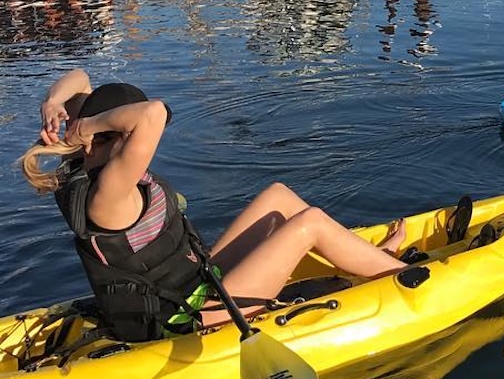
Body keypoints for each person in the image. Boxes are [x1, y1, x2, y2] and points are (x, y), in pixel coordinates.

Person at [20, 69, 409, 342]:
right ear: (108, 136)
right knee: (310, 224)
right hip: (187, 316)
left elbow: (80, 76)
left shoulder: (99, 167)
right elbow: (154, 114)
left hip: (197, 282)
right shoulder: (110, 190)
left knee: (278, 196)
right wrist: (86, 126)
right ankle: (404, 275)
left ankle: (364, 259)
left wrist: (54, 102)